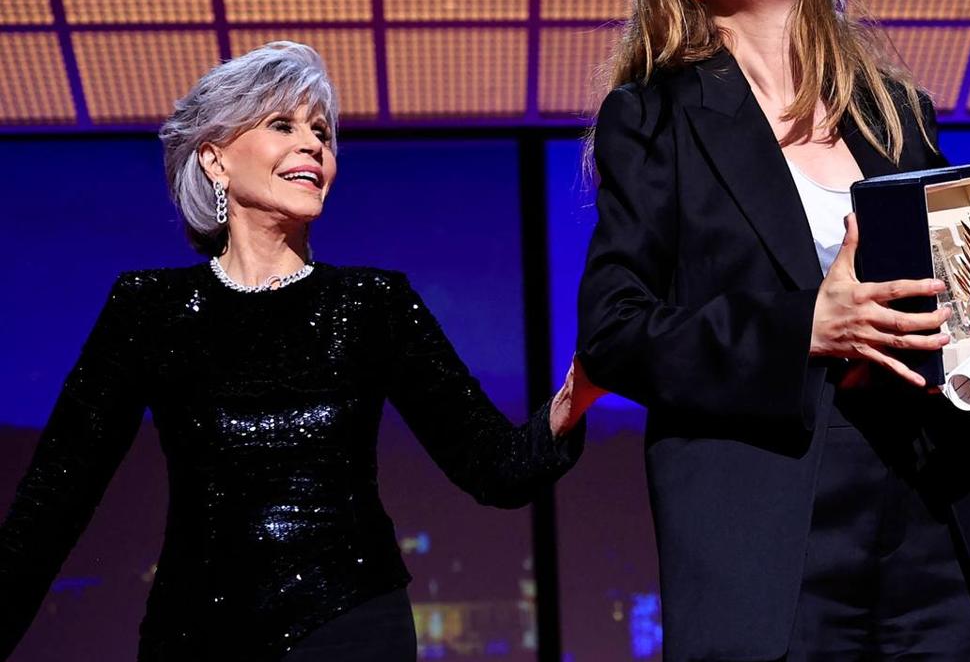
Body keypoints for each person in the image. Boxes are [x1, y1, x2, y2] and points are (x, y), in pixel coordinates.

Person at [575, 0, 970, 661]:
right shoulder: (653, 118)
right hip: (767, 540)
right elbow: (615, 329)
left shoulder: (896, 114)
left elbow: (953, 305)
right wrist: (805, 325)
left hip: (928, 520)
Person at [0, 41, 601, 662]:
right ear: (214, 160)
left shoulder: (373, 303)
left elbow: (495, 468)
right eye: (282, 125)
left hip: (352, 625)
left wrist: (571, 401)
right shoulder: (149, 309)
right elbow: (54, 499)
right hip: (196, 633)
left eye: (322, 131)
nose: (314, 145)